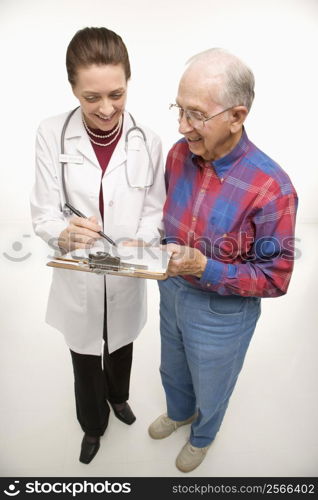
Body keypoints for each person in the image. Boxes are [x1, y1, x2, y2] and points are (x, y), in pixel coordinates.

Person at [148, 48, 298, 473]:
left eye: (195, 114)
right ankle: (179, 413)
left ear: (237, 116)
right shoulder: (179, 154)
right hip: (171, 288)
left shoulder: (272, 188)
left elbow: (275, 279)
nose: (181, 126)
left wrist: (205, 268)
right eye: (180, 109)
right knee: (172, 368)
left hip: (222, 311)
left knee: (212, 385)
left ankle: (203, 435)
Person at [30, 27, 165, 464]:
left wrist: (133, 244)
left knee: (121, 344)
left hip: (126, 270)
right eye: (91, 98)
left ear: (129, 82)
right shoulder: (51, 133)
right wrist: (63, 234)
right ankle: (93, 425)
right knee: (86, 355)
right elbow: (44, 212)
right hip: (80, 275)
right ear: (73, 88)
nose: (106, 109)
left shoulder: (150, 140)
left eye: (117, 94)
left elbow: (155, 210)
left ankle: (120, 398)